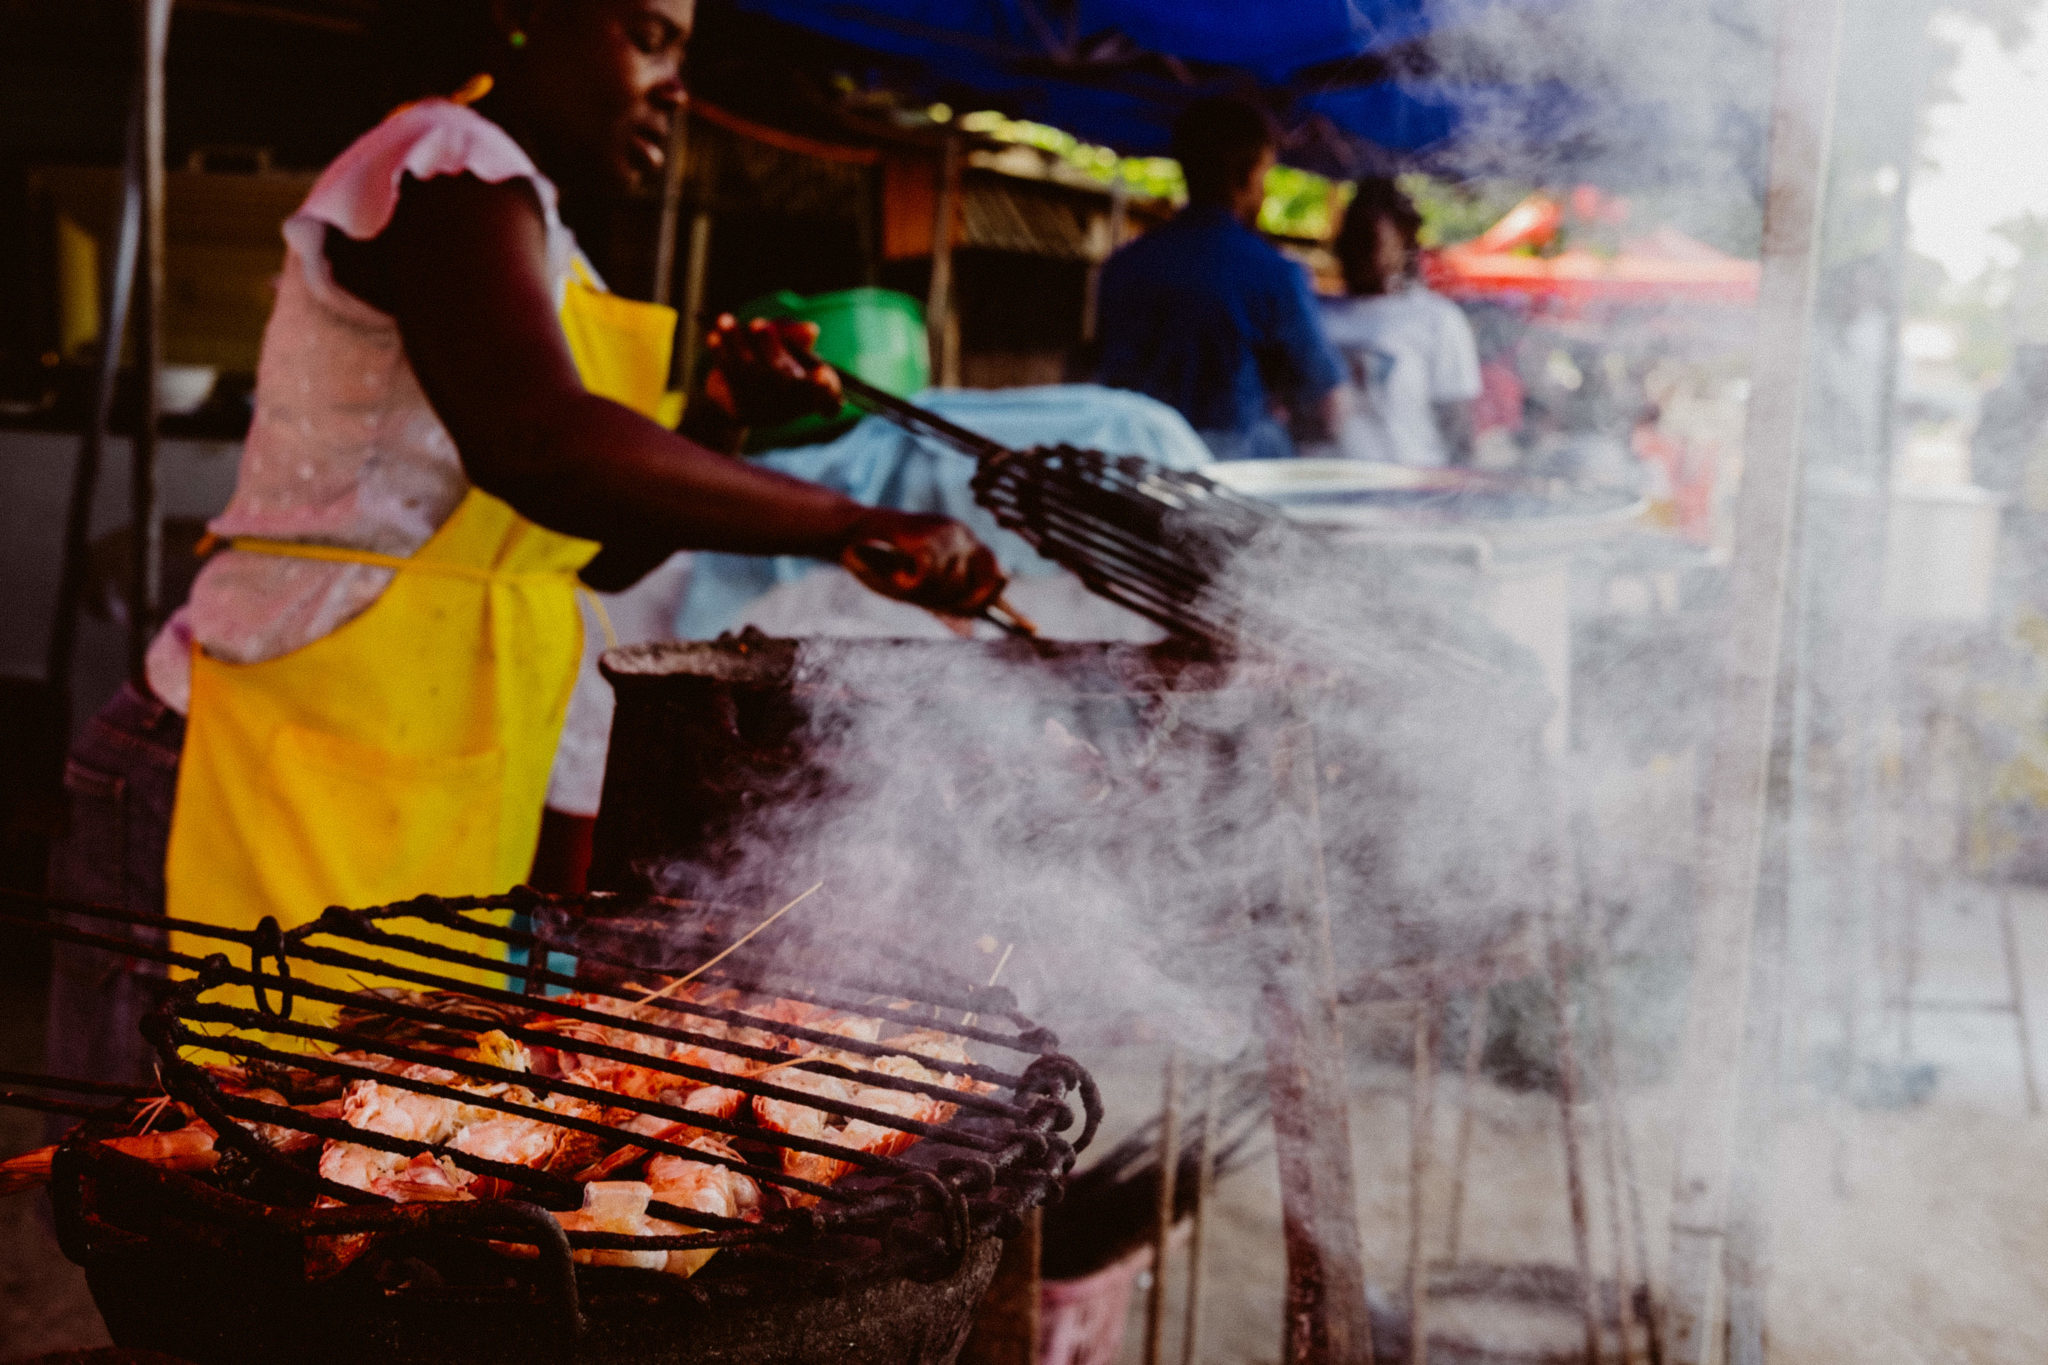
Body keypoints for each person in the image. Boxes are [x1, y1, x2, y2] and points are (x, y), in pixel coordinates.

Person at [44, 0, 1004, 1087]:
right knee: (174, 1158)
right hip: (259, 749)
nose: (676, 86)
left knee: (330, 1141)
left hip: (416, 764)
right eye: (648, 37)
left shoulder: (544, 240)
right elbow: (537, 445)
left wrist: (720, 415)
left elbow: (587, 552)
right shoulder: (445, 168)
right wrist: (848, 521)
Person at [1093, 96, 1341, 461]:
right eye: (1265, 173)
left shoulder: (1123, 267)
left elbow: (1098, 375)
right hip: (1236, 481)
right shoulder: (1274, 274)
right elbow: (1327, 406)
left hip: (1135, 469)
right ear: (1248, 174)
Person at [1320, 178, 1481, 468]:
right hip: (1327, 482)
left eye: (1373, 241)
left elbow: (1458, 427)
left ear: (1404, 243)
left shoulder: (1437, 319)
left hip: (1410, 489)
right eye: (1353, 240)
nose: (1362, 254)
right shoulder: (1318, 314)